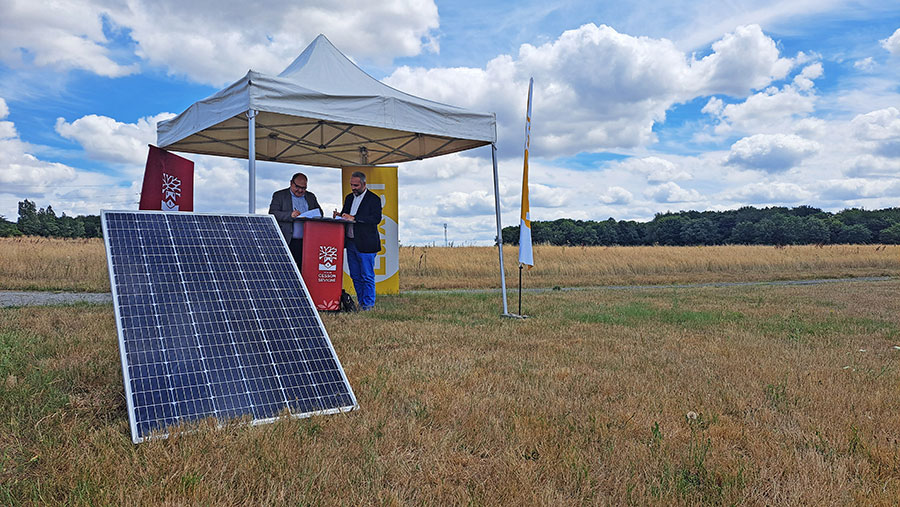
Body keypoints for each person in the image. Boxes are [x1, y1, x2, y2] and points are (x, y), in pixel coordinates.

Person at [334, 171, 382, 310]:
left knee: (367, 275)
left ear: (364, 184)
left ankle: (368, 304)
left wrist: (354, 218)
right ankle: (361, 302)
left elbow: (376, 219)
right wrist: (339, 216)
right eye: (351, 185)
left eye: (356, 185)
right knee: (355, 275)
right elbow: (346, 215)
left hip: (366, 243)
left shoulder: (374, 199)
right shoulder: (349, 198)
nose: (353, 187)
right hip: (350, 242)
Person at [269, 172, 322, 271]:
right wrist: (290, 215)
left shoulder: (311, 197)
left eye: (304, 188)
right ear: (291, 183)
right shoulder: (279, 195)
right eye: (297, 187)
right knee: (287, 270)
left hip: (307, 241)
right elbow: (273, 213)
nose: (300, 190)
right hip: (288, 240)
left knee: (305, 269)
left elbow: (319, 212)